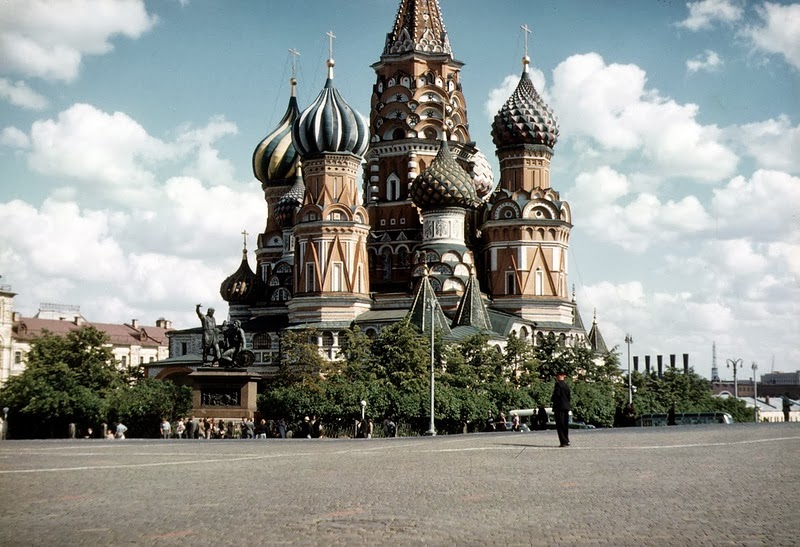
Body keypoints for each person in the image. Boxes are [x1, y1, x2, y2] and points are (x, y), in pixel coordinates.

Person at [551, 371, 571, 447]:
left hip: (559, 407)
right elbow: (568, 396)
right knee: (565, 424)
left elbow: (557, 395)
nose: (556, 377)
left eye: (557, 376)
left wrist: (553, 400)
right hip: (566, 407)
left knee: (560, 425)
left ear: (559, 376)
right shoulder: (566, 385)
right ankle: (567, 440)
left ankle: (563, 441)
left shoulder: (558, 384)